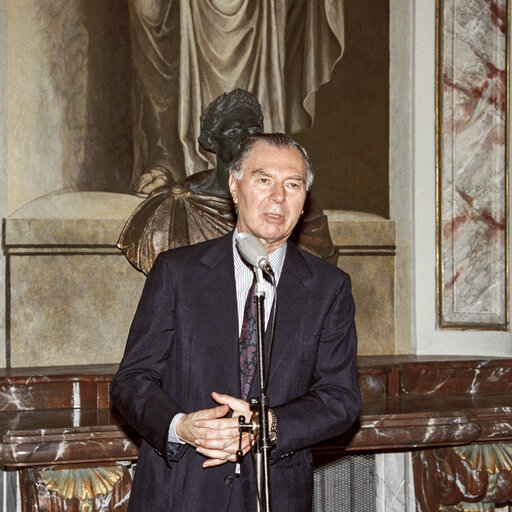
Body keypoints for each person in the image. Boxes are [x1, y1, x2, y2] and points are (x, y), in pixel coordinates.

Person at [110, 133, 361, 511]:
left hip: (276, 491)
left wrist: (265, 426)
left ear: (304, 198)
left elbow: (340, 399)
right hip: (182, 490)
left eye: (292, 185)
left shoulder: (329, 287)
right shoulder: (178, 273)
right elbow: (131, 381)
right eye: (263, 180)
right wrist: (181, 426)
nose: (278, 197)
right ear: (234, 185)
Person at [118, 90, 335, 276]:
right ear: (212, 140)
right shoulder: (171, 206)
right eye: (233, 131)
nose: (245, 139)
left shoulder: (302, 215)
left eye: (253, 131)